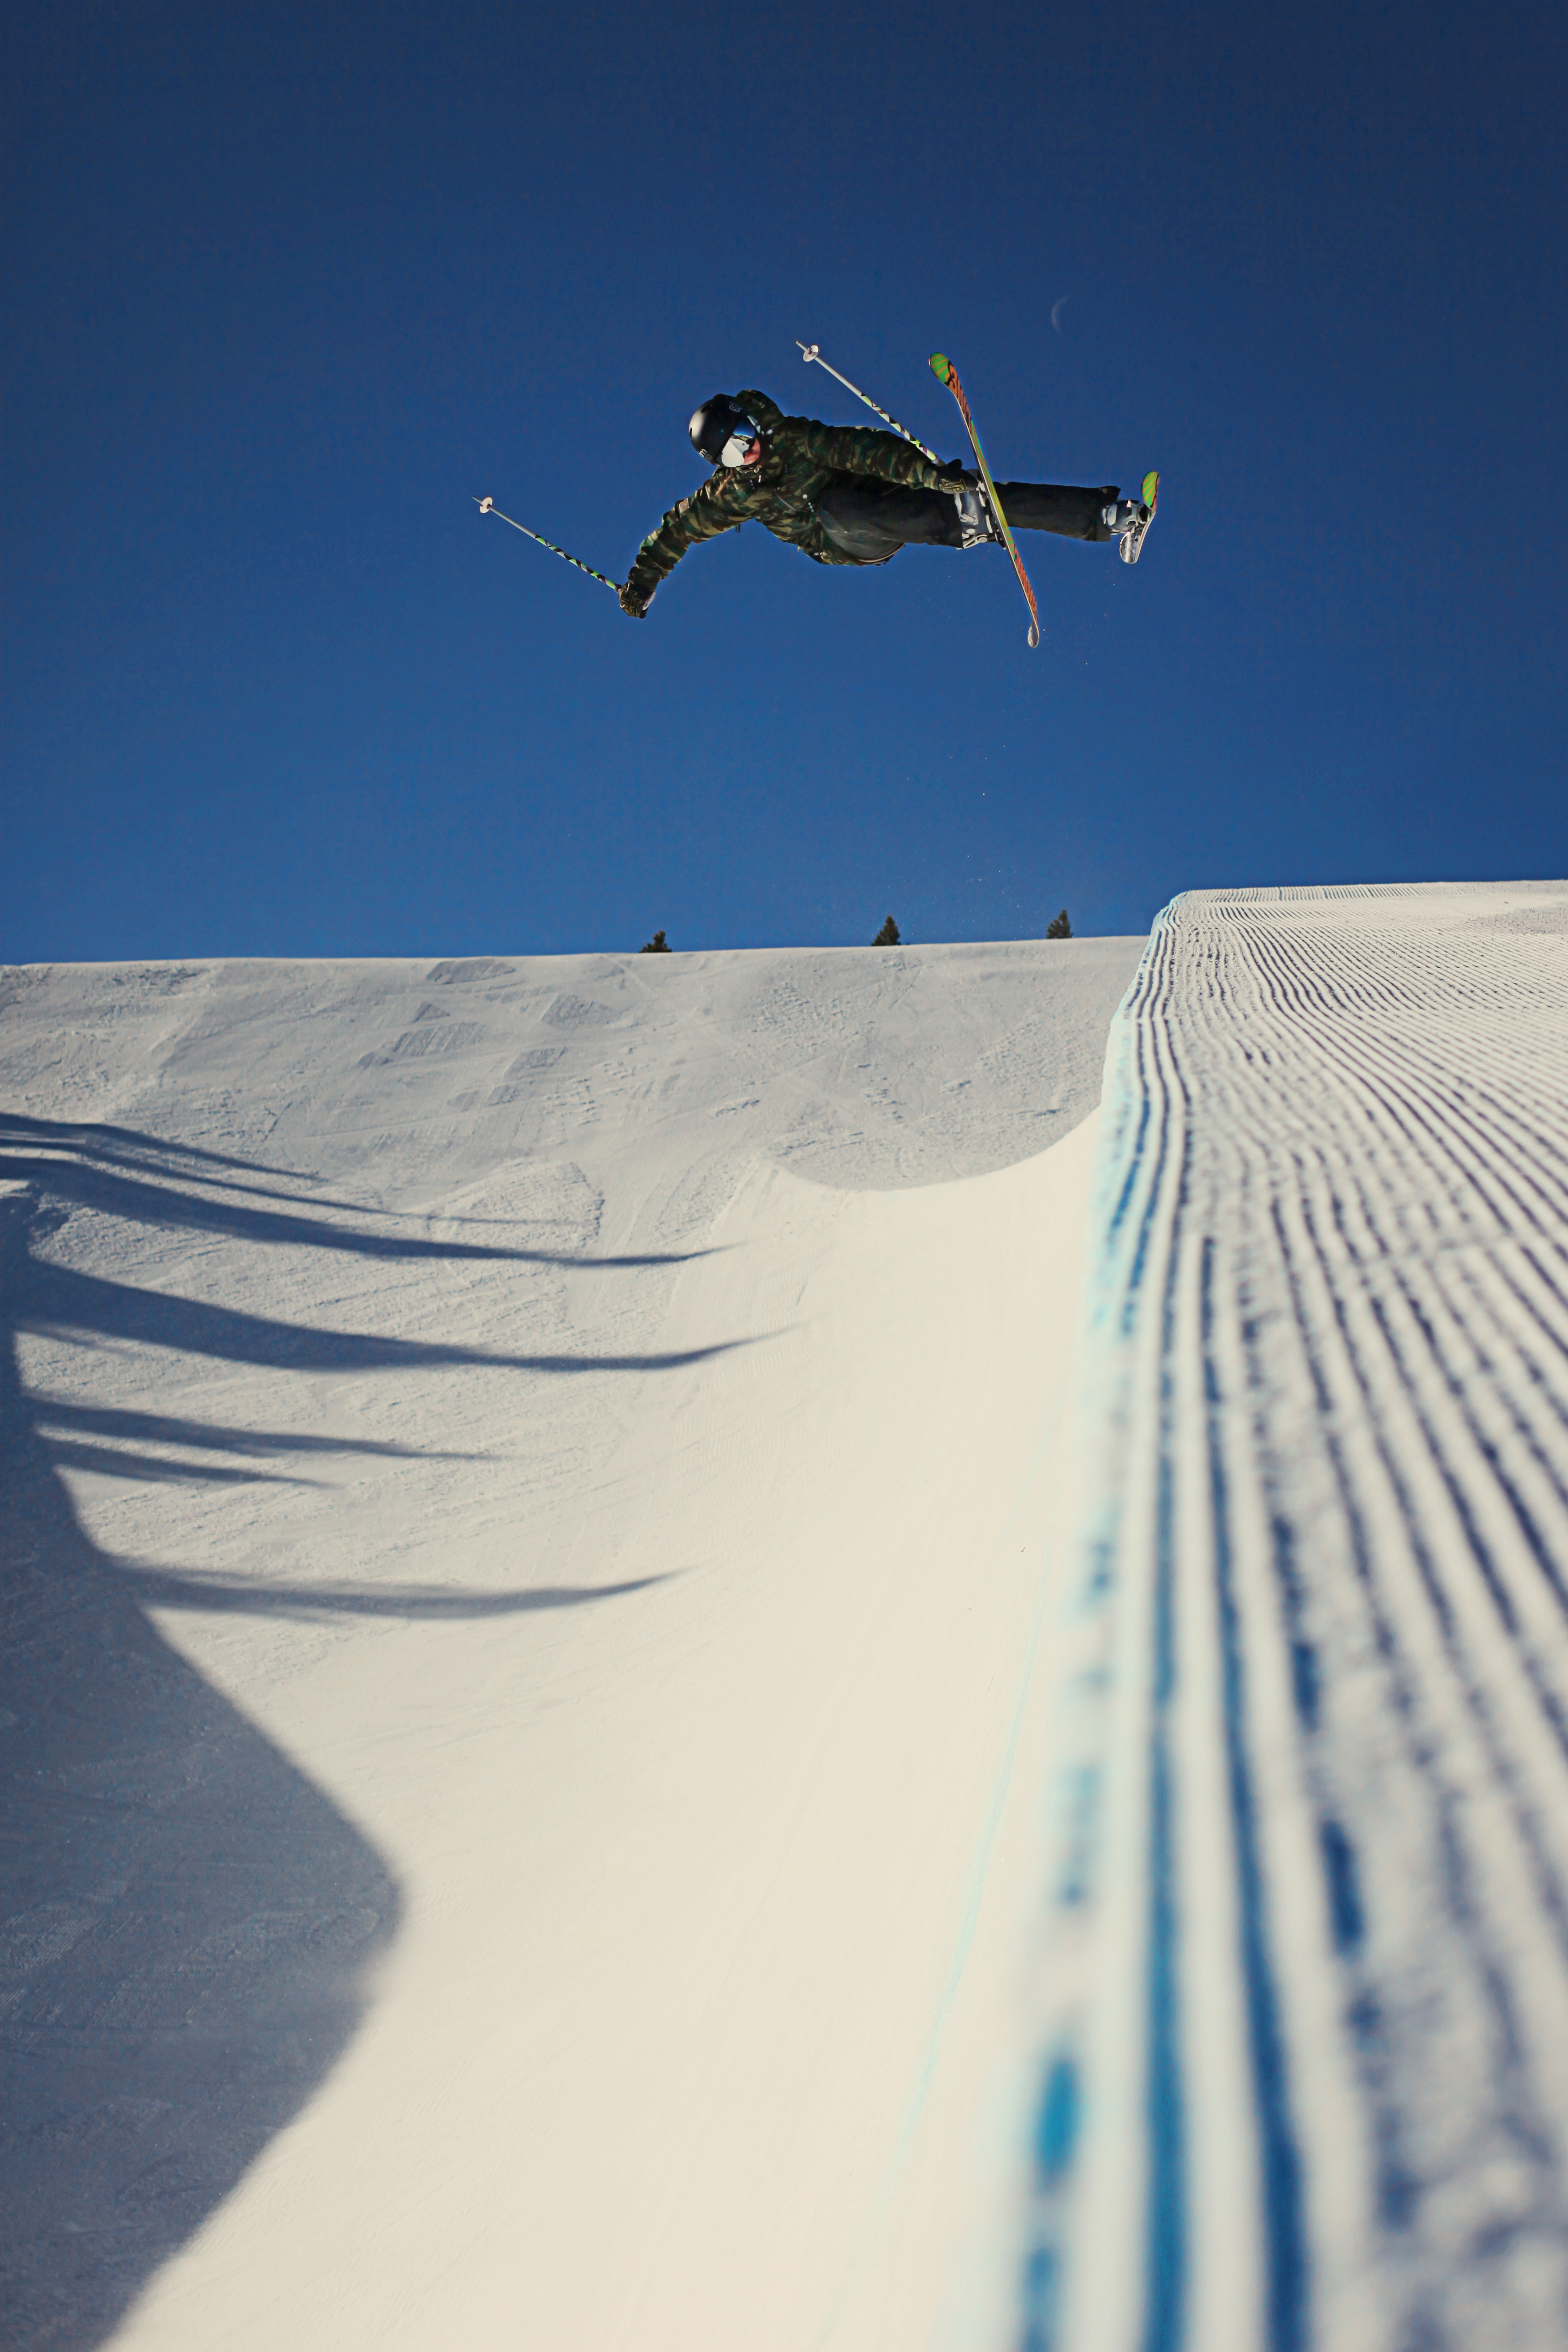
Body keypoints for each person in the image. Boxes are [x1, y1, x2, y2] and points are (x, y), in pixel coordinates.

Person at [617, 387, 1151, 618]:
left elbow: (862, 449)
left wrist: (928, 474)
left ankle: (1107, 517)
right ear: (722, 464)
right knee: (834, 508)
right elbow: (676, 531)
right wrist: (641, 583)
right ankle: (954, 519)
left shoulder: (792, 437)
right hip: (845, 538)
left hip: (885, 497)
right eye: (735, 448)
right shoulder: (731, 494)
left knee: (983, 497)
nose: (750, 445)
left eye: (746, 430)